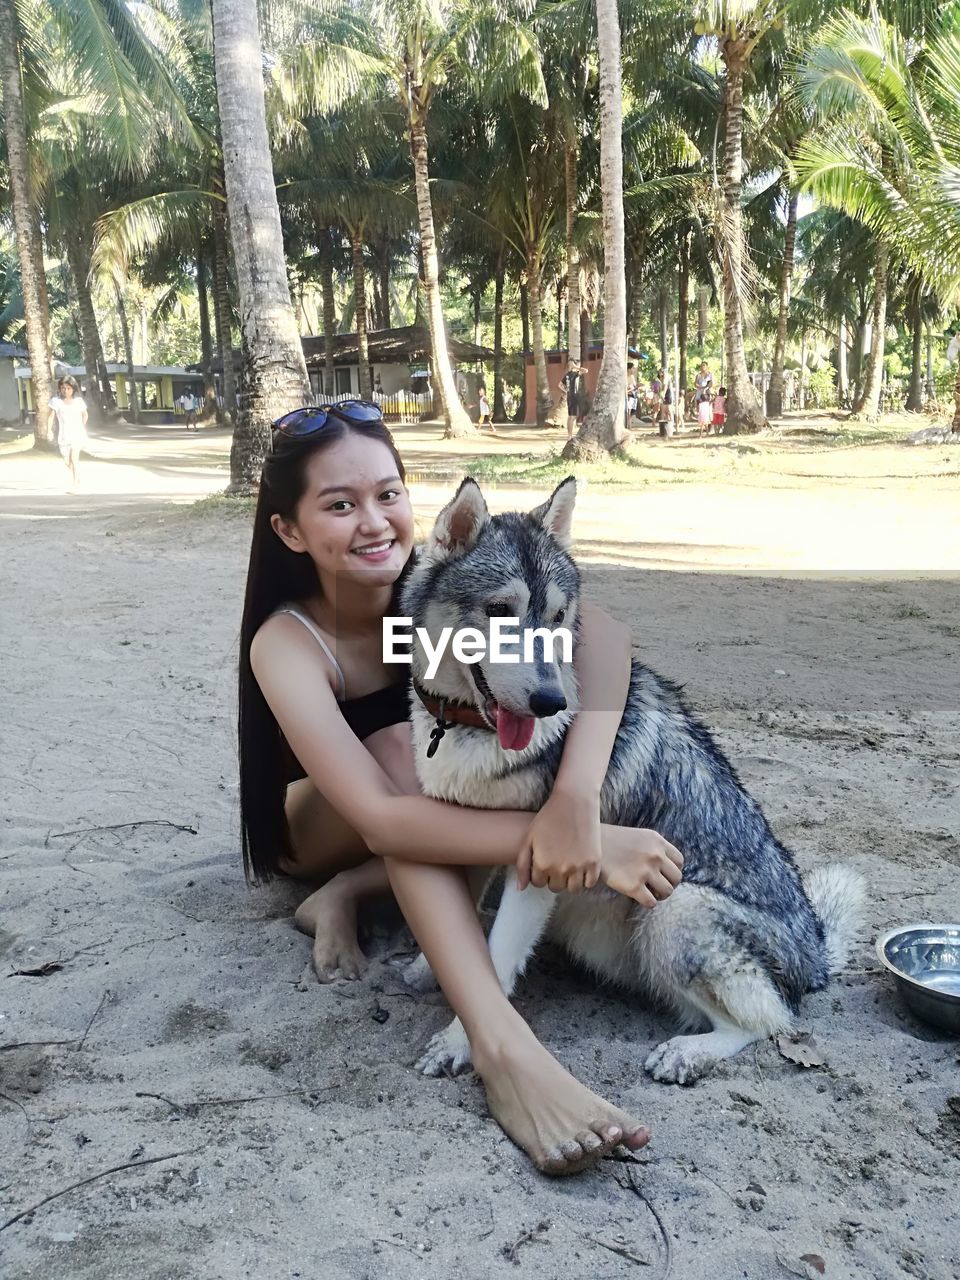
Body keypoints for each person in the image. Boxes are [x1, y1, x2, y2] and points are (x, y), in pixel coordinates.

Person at [241, 400, 684, 1176]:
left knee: (446, 770)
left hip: (409, 820)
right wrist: (587, 847)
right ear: (289, 530)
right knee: (403, 756)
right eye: (339, 505)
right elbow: (383, 818)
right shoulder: (287, 640)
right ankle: (500, 1042)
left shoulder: (445, 578)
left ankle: (344, 896)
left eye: (388, 494)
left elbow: (605, 639)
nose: (374, 522)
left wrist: (575, 803)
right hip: (320, 824)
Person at [47, 376, 88, 490]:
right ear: (60, 389)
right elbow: (51, 417)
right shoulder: (56, 402)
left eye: (68, 388)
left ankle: (75, 484)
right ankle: (77, 476)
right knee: (67, 461)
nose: (65, 391)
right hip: (63, 436)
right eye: (63, 388)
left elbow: (85, 415)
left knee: (74, 459)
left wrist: (82, 427)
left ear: (73, 388)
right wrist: (49, 431)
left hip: (77, 434)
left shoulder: (78, 401)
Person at [561, 363, 584, 440]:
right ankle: (570, 435)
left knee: (570, 416)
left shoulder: (567, 375)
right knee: (573, 416)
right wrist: (577, 367)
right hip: (574, 396)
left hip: (569, 396)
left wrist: (566, 391)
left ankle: (569, 435)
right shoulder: (575, 373)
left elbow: (559, 385)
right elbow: (586, 371)